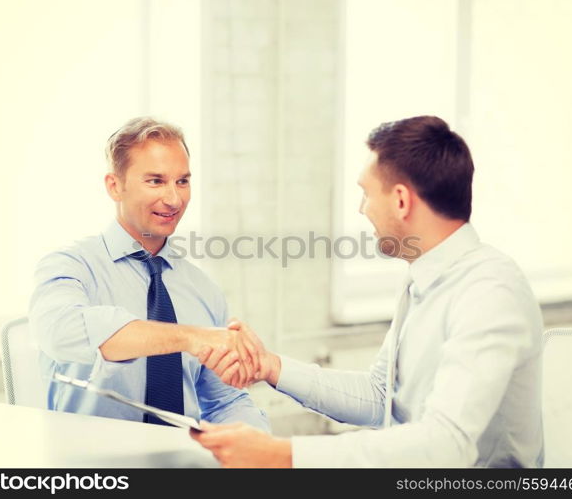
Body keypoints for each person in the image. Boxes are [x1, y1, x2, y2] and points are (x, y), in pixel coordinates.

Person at [191, 115, 544, 467]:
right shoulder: (421, 281)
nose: (363, 209)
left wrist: (283, 455)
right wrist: (271, 367)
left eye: (366, 193)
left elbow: (447, 445)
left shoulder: (489, 292)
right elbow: (381, 397)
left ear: (401, 201)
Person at [29, 117, 268, 430]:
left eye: (182, 181)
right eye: (155, 181)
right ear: (115, 186)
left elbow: (224, 400)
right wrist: (190, 337)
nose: (174, 199)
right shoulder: (70, 267)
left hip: (182, 466)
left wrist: (260, 445)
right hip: (91, 471)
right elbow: (61, 333)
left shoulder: (202, 289)